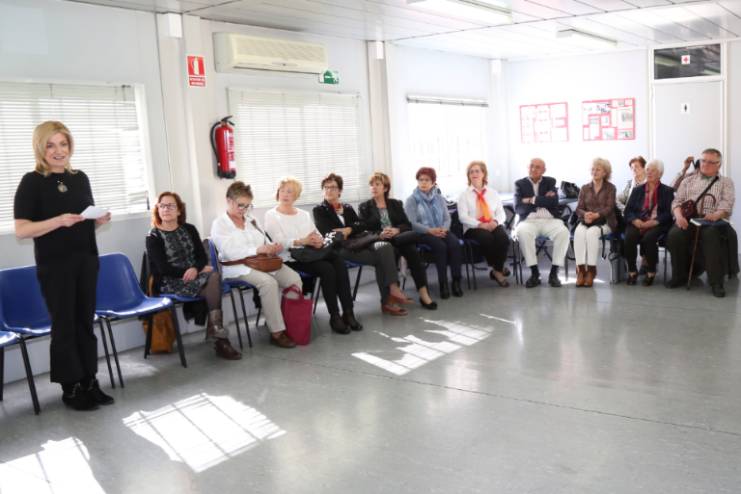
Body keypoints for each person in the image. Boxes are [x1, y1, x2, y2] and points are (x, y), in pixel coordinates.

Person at [13, 121, 113, 411]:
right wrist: (58, 221)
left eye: (63, 144)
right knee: (65, 325)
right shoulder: (31, 182)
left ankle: (89, 381)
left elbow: (81, 224)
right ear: (40, 148)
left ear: (70, 146)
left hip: (86, 260)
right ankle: (71, 388)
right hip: (55, 267)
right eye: (51, 145)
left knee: (85, 323)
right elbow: (21, 230)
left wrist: (97, 221)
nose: (59, 151)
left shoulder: (80, 178)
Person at [146, 192, 241, 359]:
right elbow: (163, 268)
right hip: (171, 281)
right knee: (213, 280)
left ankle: (218, 335)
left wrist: (196, 269)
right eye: (162, 206)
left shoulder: (189, 229)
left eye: (171, 206)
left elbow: (201, 257)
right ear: (157, 210)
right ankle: (220, 339)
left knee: (214, 277)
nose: (166, 209)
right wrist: (189, 271)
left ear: (179, 210)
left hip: (196, 276)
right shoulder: (153, 236)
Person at [264, 177, 363, 334]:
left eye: (289, 191)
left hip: (310, 253)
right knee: (326, 269)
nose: (285, 194)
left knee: (338, 261)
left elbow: (316, 234)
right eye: (282, 191)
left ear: (296, 195)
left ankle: (348, 312)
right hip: (291, 257)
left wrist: (318, 241)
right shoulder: (271, 215)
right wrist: (302, 241)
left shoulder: (303, 214)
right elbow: (279, 242)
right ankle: (334, 316)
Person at [211, 181, 302, 347]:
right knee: (268, 283)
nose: (244, 210)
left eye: (248, 206)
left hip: (262, 262)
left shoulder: (251, 220)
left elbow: (264, 241)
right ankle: (277, 332)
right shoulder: (220, 224)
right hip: (237, 267)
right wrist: (257, 249)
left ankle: (285, 320)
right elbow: (229, 252)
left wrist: (272, 247)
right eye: (240, 205)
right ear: (229, 201)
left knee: (294, 279)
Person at [313, 173, 411, 316]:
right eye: (326, 187)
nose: (329, 190)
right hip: (341, 248)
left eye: (333, 187)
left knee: (385, 246)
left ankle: (393, 289)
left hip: (360, 241)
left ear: (340, 191)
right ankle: (388, 300)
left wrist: (349, 229)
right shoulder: (319, 210)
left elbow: (361, 225)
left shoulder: (347, 207)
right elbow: (329, 232)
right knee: (382, 259)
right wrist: (350, 228)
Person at [359, 172, 437, 309]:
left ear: (385, 188)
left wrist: (396, 230)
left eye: (377, 184)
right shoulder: (364, 207)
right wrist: (380, 234)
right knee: (400, 248)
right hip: (382, 242)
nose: (373, 187)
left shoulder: (395, 204)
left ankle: (424, 294)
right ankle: (396, 293)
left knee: (412, 251)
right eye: (371, 185)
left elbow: (406, 224)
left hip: (398, 238)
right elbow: (363, 231)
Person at [667, 148, 737, 297]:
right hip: (689, 218)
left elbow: (727, 203)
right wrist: (678, 216)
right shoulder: (688, 180)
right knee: (674, 235)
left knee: (711, 235)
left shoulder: (726, 182)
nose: (705, 164)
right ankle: (679, 276)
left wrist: (717, 214)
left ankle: (716, 282)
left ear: (719, 165)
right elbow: (677, 201)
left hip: (711, 220)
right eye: (703, 160)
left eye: (711, 162)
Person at [404, 167, 464, 299]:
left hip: (441, 230)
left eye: (427, 180)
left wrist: (444, 229)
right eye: (421, 180)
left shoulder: (439, 198)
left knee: (455, 244)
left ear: (433, 182)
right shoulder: (412, 200)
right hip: (422, 233)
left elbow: (447, 218)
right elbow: (411, 223)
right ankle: (443, 284)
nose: (423, 183)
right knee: (440, 247)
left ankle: (456, 281)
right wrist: (430, 230)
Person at [514, 158, 569, 288]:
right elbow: (518, 208)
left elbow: (553, 202)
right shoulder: (519, 184)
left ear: (544, 170)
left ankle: (554, 273)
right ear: (527, 168)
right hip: (528, 221)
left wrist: (530, 200)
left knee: (563, 233)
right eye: (531, 166)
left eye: (537, 167)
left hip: (550, 220)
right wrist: (543, 199)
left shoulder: (550, 181)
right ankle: (535, 273)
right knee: (522, 232)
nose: (533, 169)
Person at [456, 161, 510, 287]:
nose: (474, 174)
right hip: (473, 228)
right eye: (471, 172)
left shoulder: (493, 193)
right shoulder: (464, 195)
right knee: (487, 238)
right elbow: (463, 217)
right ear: (468, 175)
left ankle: (496, 270)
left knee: (503, 238)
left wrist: (495, 222)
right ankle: (499, 270)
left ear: (483, 174)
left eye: (477, 171)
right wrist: (480, 224)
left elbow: (501, 213)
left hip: (492, 223)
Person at [623, 160, 674, 286]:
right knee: (629, 236)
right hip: (638, 221)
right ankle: (632, 271)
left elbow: (668, 213)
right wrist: (634, 220)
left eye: (653, 170)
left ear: (660, 174)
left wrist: (654, 222)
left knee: (649, 238)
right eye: (648, 170)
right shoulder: (637, 190)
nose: (649, 172)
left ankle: (651, 271)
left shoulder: (667, 191)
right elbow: (628, 210)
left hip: (656, 223)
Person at [573, 158, 617, 288]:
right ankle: (581, 271)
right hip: (586, 221)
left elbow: (610, 207)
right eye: (593, 169)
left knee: (592, 233)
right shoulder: (584, 188)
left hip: (605, 221)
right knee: (578, 233)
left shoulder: (611, 188)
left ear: (605, 172)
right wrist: (585, 215)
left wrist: (597, 215)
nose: (594, 172)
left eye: (598, 169)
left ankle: (591, 271)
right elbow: (578, 208)